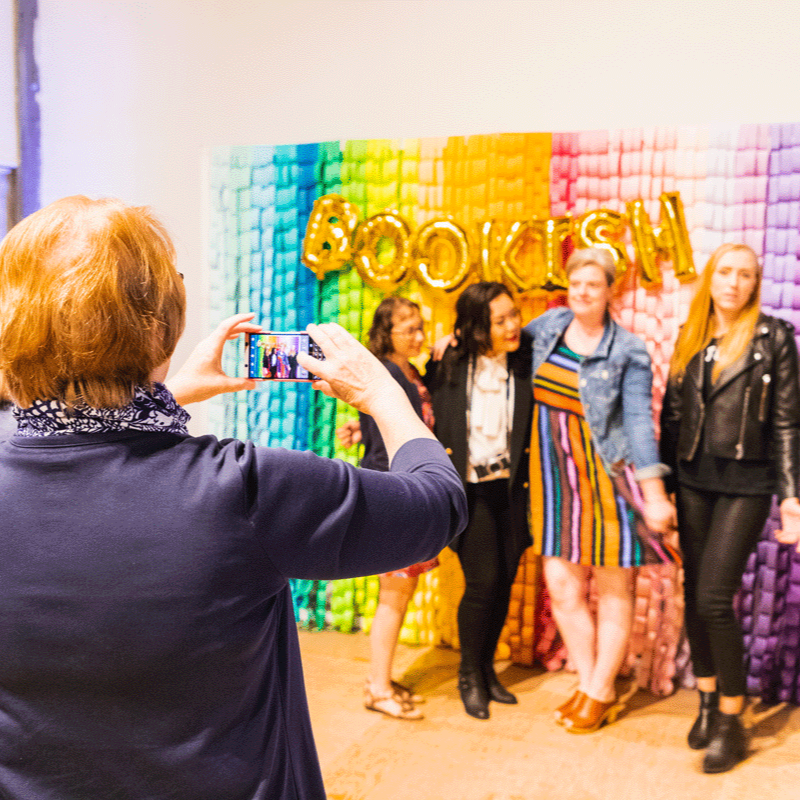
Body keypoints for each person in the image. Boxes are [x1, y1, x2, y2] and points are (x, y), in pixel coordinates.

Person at [0, 196, 468, 800]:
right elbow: (437, 503)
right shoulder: (243, 491)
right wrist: (381, 388)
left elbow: (83, 434)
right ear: (160, 327)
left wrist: (162, 397)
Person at [524, 247, 677, 734]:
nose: (582, 291)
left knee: (614, 588)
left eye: (593, 283)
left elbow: (637, 423)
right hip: (551, 478)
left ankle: (600, 689)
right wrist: (454, 340)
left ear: (611, 289)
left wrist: (654, 494)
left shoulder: (627, 348)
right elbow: (494, 348)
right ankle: (590, 681)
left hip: (604, 475)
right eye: (576, 283)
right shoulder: (545, 329)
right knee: (564, 585)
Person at [660, 242, 800, 773]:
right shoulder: (691, 336)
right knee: (695, 595)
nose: (734, 283)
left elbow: (788, 423)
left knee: (716, 598)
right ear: (712, 278)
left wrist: (791, 497)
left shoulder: (774, 338)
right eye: (726, 272)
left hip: (748, 483)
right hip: (694, 481)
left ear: (754, 283)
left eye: (745, 275)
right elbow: (672, 419)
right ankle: (706, 699)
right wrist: (667, 492)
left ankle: (731, 720)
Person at [426, 282, 533, 719]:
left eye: (514, 315)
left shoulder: (525, 358)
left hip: (510, 488)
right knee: (483, 582)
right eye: (500, 320)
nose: (513, 326)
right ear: (477, 326)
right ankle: (468, 674)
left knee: (505, 578)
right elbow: (413, 402)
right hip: (467, 489)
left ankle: (487, 670)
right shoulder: (448, 362)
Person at [337, 296, 439, 720]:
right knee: (394, 596)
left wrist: (359, 428)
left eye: (419, 327)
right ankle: (377, 687)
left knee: (399, 592)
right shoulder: (390, 374)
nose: (418, 336)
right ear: (387, 333)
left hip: (401, 491)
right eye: (408, 329)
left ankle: (380, 678)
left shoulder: (406, 372)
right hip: (395, 494)